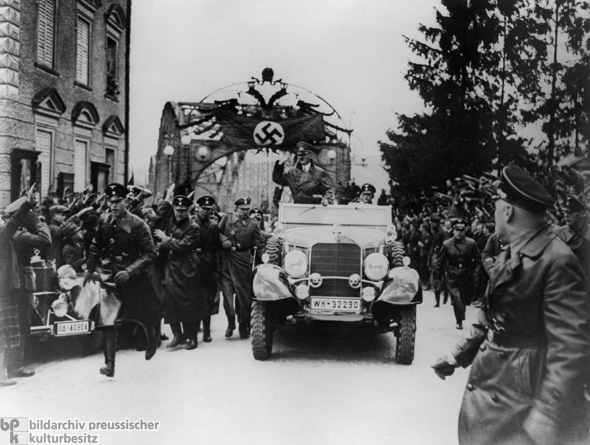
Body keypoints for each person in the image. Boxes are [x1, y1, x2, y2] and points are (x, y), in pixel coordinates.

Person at [432, 165, 590, 445]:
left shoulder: (557, 261)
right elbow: (492, 315)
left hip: (523, 404)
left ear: (508, 212)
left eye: (496, 206)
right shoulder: (514, 251)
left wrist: (546, 419)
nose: (494, 212)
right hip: (501, 392)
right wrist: (458, 355)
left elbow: (570, 349)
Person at [85, 183, 163, 377]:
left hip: (134, 274)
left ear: (126, 201)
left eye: (117, 201)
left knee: (144, 313)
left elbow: (150, 253)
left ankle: (151, 336)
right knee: (107, 319)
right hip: (110, 272)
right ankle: (110, 365)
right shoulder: (104, 220)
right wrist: (90, 267)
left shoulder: (138, 224)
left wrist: (130, 270)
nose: (113, 205)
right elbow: (95, 245)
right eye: (110, 201)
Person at [154, 195, 205, 350]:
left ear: (188, 210)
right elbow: (160, 215)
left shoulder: (193, 227)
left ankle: (192, 337)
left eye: (183, 211)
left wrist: (165, 239)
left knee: (190, 301)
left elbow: (183, 246)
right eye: (177, 210)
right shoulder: (170, 222)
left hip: (187, 267)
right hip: (171, 266)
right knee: (170, 300)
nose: (180, 213)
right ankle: (178, 335)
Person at [9, 192, 52, 379]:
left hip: (17, 281)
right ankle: (15, 366)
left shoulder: (14, 233)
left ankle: (14, 365)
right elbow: (45, 239)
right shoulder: (20, 235)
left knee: (17, 325)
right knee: (21, 326)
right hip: (21, 283)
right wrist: (36, 221)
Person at [0, 186, 37, 386]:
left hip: (5, 288)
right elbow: (12, 225)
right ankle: (2, 375)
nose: (2, 221)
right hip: (3, 290)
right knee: (3, 333)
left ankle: (7, 371)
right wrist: (28, 204)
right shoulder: (2, 235)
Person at [218, 196, 265, 339]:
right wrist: (224, 239)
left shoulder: (253, 224)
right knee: (227, 296)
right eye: (242, 210)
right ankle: (230, 322)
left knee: (243, 296)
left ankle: (243, 324)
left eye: (247, 210)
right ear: (236, 209)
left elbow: (259, 244)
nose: (245, 212)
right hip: (227, 261)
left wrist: (264, 258)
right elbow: (217, 232)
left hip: (243, 261)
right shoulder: (227, 218)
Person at [434, 218, 480, 329]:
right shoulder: (447, 244)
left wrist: (475, 273)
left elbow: (478, 260)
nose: (459, 232)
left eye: (461, 230)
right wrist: (437, 274)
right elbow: (440, 260)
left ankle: (461, 313)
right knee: (456, 298)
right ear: (453, 230)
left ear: (465, 231)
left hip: (466, 274)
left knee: (464, 298)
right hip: (452, 274)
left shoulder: (471, 243)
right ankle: (459, 320)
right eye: (457, 230)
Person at [193, 196, 220, 343]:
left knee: (208, 299)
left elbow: (216, 249)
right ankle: (193, 332)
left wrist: (216, 269)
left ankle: (207, 332)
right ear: (198, 208)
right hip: (192, 264)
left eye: (208, 209)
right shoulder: (191, 222)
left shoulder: (213, 226)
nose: (205, 211)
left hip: (208, 265)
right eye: (203, 208)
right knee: (195, 298)